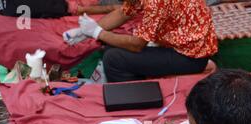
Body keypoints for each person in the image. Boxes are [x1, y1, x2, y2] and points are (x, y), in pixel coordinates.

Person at [77, 0, 218, 82]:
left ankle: (134, 101)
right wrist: (84, 32)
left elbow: (136, 45)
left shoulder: (156, 2)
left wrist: (96, 32)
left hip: (190, 58)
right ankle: (140, 79)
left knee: (113, 58)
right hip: (178, 45)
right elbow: (123, 12)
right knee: (111, 46)